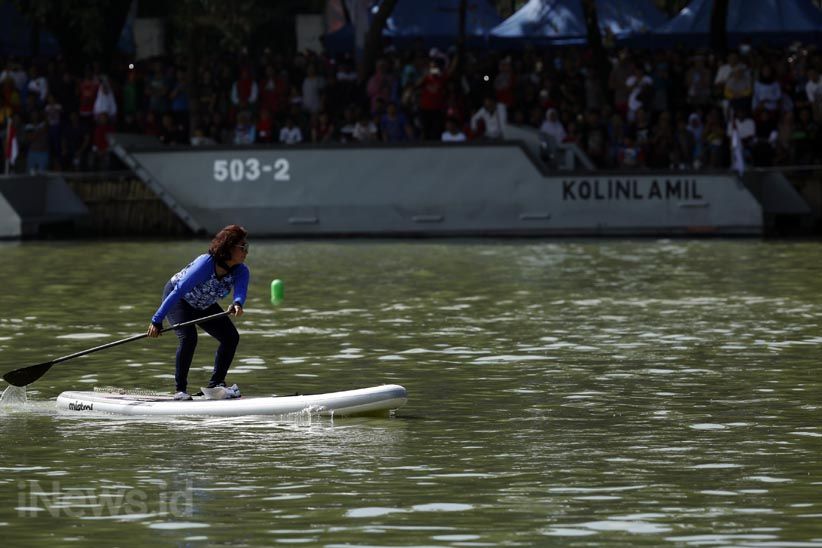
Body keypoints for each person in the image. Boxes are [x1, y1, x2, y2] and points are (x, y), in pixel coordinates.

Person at [147, 225, 250, 401]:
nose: (246, 252)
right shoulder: (205, 264)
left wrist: (237, 304)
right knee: (189, 338)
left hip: (203, 304)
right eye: (242, 247)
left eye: (247, 247)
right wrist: (156, 320)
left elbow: (240, 292)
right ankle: (180, 391)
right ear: (229, 247)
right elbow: (178, 291)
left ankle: (216, 385)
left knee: (231, 337)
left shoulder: (241, 270)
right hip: (179, 299)